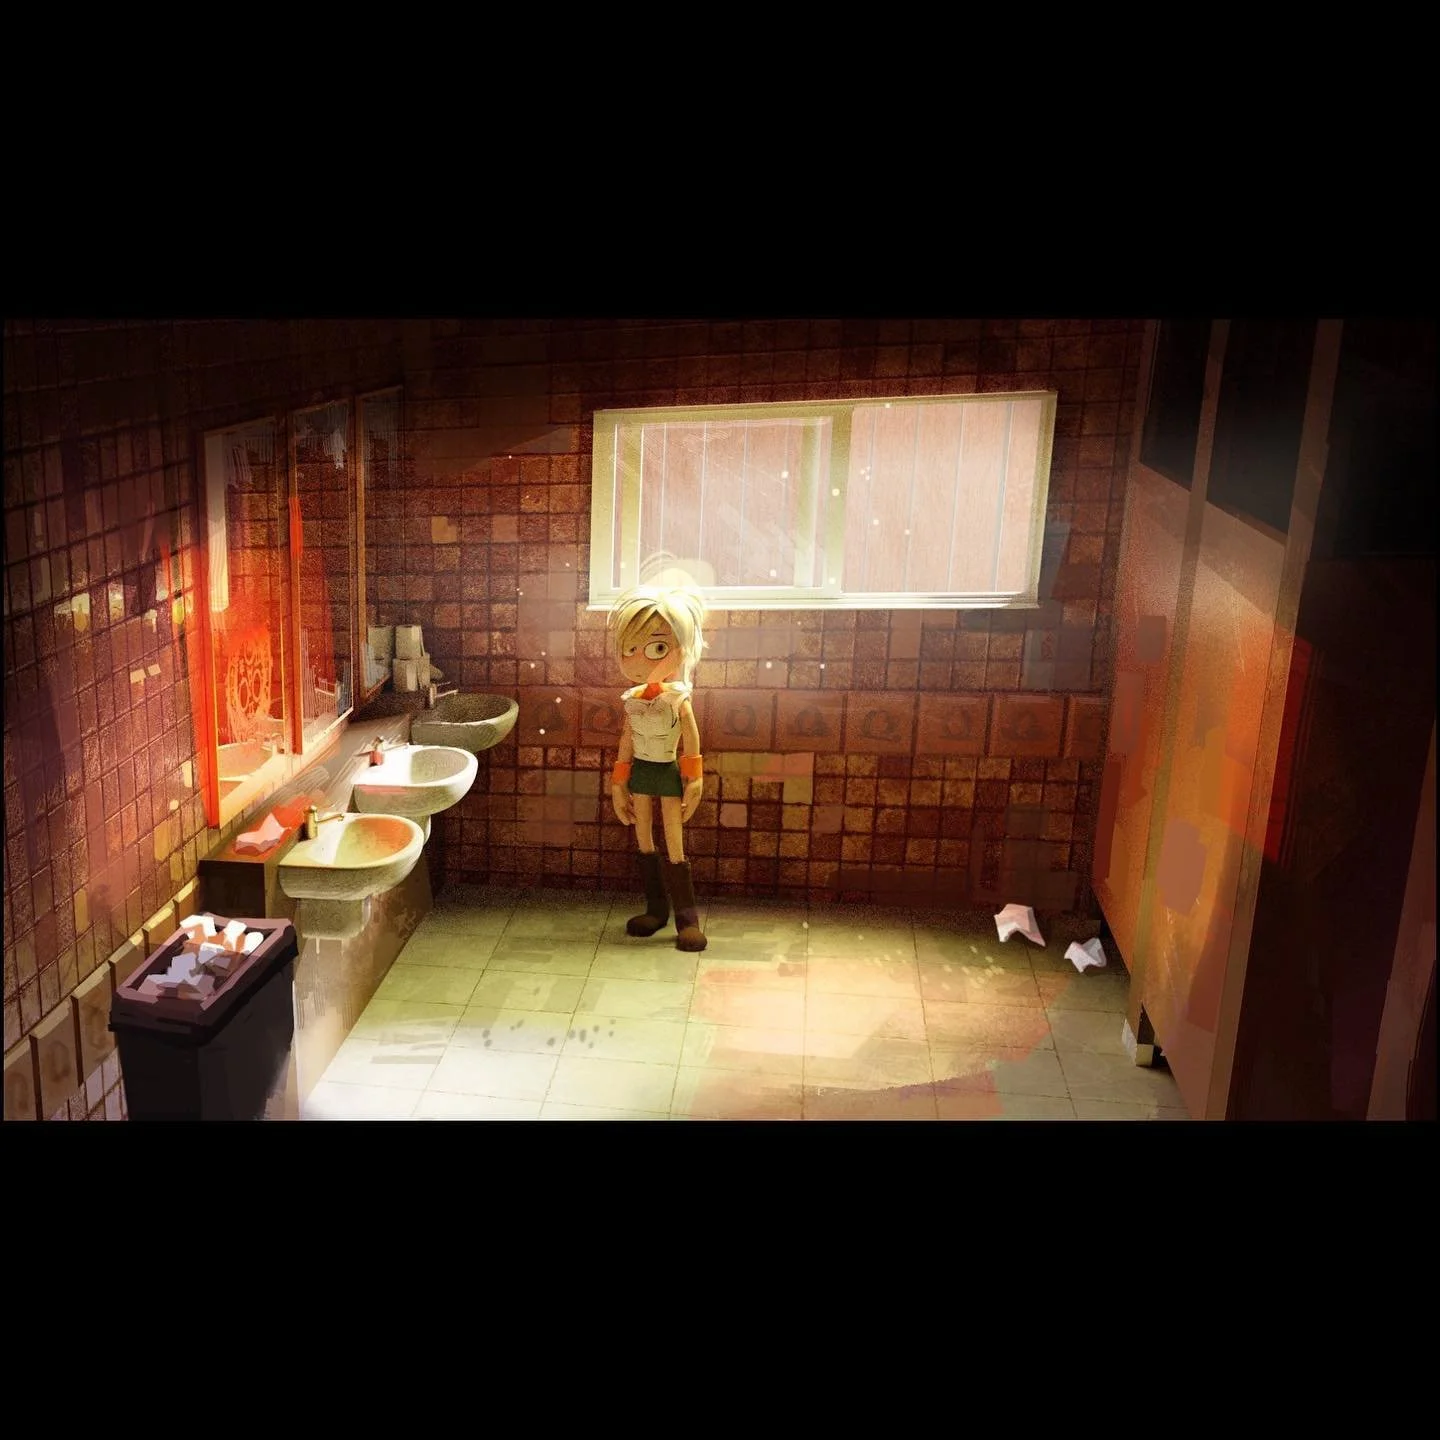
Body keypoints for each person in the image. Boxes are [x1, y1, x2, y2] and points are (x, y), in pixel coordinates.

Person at [608, 583, 708, 952]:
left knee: (674, 840)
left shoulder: (678, 699)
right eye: (629, 649)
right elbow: (626, 741)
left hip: (666, 772)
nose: (638, 660)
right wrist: (618, 782)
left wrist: (694, 780)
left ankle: (687, 919)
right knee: (643, 837)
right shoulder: (632, 700)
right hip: (641, 773)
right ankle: (656, 909)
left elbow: (691, 741)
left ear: (681, 649)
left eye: (657, 648)